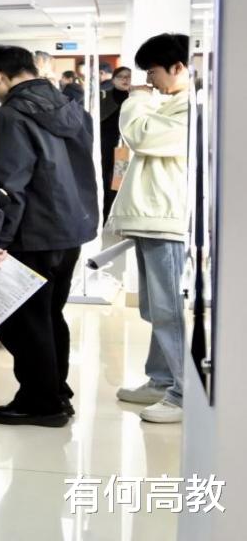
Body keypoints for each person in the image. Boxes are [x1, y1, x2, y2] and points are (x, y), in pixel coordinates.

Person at [0, 46, 97, 428]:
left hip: (32, 232)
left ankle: (41, 402)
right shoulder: (74, 109)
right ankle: (56, 392)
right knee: (50, 314)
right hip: (70, 229)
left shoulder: (11, 117)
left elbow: (11, 186)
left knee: (25, 321)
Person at [109, 34, 191, 424]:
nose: (149, 81)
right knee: (155, 308)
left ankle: (184, 392)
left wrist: (136, 99)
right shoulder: (171, 103)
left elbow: (141, 136)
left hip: (166, 218)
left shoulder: (192, 106)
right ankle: (162, 380)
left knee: (167, 310)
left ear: (178, 67)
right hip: (153, 217)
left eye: (153, 72)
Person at [100, 66, 133, 218]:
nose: (125, 79)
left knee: (118, 181)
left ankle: (115, 214)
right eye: (121, 76)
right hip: (105, 145)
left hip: (124, 147)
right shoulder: (104, 98)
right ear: (113, 80)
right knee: (105, 179)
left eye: (128, 76)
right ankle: (105, 213)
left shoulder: (134, 99)